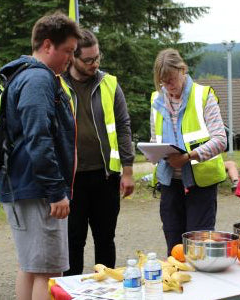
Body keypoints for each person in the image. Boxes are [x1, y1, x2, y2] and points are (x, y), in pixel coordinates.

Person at [0, 12, 80, 300]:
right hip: (38, 191)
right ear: (47, 45)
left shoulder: (22, 75)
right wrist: (56, 191)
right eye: (67, 50)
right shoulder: (38, 79)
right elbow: (39, 137)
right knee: (48, 271)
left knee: (30, 266)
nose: (70, 58)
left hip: (23, 186)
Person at [60, 29, 135, 276]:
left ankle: (107, 290)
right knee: (73, 243)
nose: (95, 64)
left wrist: (128, 171)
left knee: (105, 240)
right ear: (73, 58)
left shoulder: (109, 84)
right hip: (71, 181)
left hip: (105, 178)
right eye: (89, 60)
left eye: (97, 58)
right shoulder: (56, 84)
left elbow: (123, 127)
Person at [149, 48, 228, 254]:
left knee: (198, 248)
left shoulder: (204, 95)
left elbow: (220, 140)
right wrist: (153, 152)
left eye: (172, 80)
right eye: (163, 82)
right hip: (170, 183)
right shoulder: (156, 100)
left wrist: (188, 157)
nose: (168, 87)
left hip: (200, 184)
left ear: (183, 70)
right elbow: (154, 137)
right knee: (174, 249)